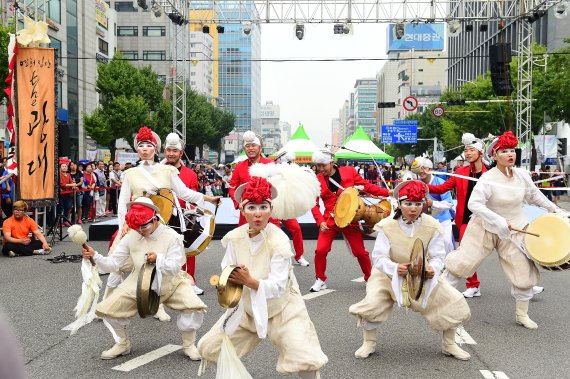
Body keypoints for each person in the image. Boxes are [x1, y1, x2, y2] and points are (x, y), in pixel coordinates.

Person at [197, 177, 328, 378]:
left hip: (283, 307)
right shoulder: (234, 237)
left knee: (305, 359)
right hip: (247, 307)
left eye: (263, 207)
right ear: (242, 210)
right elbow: (227, 265)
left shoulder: (279, 240)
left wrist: (250, 281)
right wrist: (230, 275)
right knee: (211, 347)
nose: (257, 214)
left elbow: (278, 285)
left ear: (271, 209)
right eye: (251, 208)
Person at [444, 131, 566, 330]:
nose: (510, 154)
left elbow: (535, 196)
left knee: (523, 271)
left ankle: (522, 314)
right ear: (494, 155)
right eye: (505, 151)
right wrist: (498, 220)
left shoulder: (522, 175)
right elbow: (474, 204)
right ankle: (439, 302)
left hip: (515, 229)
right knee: (461, 264)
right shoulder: (488, 178)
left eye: (512, 151)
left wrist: (556, 209)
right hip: (484, 227)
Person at [349, 180, 471, 360]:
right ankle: (369, 342)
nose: (413, 208)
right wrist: (394, 267)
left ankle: (449, 344)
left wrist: (432, 269)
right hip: (387, 273)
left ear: (423, 204)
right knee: (373, 303)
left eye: (418, 204)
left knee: (451, 300)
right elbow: (379, 257)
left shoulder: (432, 225)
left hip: (421, 272)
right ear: (399, 204)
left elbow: (438, 256)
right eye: (408, 204)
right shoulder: (387, 225)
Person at [111, 127, 219, 322]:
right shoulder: (130, 173)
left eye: (149, 146)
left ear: (155, 149)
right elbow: (121, 205)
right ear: (137, 149)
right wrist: (122, 227)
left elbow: (185, 193)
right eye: (141, 146)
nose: (145, 149)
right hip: (134, 225)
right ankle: (108, 302)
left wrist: (208, 199)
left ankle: (158, 304)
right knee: (118, 265)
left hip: (159, 225)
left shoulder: (167, 171)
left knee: (157, 265)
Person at [82, 197, 207, 360]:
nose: (141, 230)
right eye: (136, 227)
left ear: (154, 218)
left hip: (171, 283)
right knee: (108, 309)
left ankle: (189, 345)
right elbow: (113, 264)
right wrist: (94, 256)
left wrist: (159, 259)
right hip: (137, 283)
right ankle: (123, 343)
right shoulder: (130, 236)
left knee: (193, 306)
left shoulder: (171, 236)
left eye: (144, 226)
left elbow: (175, 267)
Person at [309, 148, 390, 292]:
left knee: (360, 252)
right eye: (318, 166)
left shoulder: (349, 172)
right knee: (320, 250)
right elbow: (313, 204)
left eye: (323, 165)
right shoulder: (316, 181)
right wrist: (320, 221)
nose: (320, 169)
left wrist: (387, 192)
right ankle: (320, 279)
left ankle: (369, 278)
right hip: (330, 221)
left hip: (351, 219)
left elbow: (367, 187)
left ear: (332, 162)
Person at [427, 133, 488, 298]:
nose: (467, 153)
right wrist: (423, 185)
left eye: (471, 150)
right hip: (467, 220)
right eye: (466, 150)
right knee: (465, 252)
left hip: (489, 219)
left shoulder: (491, 173)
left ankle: (526, 285)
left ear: (480, 153)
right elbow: (442, 188)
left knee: (510, 249)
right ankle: (473, 285)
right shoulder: (460, 172)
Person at [162, 132, 204, 296]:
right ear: (165, 151)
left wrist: (194, 215)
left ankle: (189, 282)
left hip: (184, 217)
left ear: (180, 153)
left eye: (175, 151)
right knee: (162, 252)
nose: (171, 153)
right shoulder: (158, 170)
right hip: (162, 217)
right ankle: (164, 285)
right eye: (168, 150)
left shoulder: (190, 174)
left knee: (188, 250)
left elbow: (193, 197)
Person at [229, 131, 280, 227]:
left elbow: (278, 186)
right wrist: (238, 203)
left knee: (272, 239)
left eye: (253, 145)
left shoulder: (270, 164)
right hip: (247, 211)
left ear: (260, 148)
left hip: (268, 211)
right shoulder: (239, 166)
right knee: (245, 239)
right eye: (247, 146)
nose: (250, 148)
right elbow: (232, 187)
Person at [274, 150, 310, 267]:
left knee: (296, 229)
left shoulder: (292, 173)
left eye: (292, 162)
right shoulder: (272, 172)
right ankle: (279, 257)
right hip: (273, 208)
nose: (292, 164)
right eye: (289, 162)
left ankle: (299, 256)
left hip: (286, 207)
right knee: (277, 232)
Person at [416, 157, 455, 254]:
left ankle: (448, 267)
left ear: (431, 169)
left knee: (446, 242)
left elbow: (449, 203)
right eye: (419, 168)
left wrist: (432, 203)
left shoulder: (440, 182)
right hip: (424, 219)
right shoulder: (417, 184)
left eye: (424, 168)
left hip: (442, 219)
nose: (421, 171)